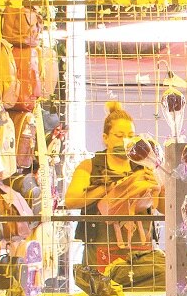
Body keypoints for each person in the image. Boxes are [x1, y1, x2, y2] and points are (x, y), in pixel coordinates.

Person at [65, 101, 162, 269]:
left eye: (131, 136)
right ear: (105, 138)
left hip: (141, 254)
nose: (126, 141)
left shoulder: (146, 166)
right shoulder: (90, 166)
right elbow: (71, 200)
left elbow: (162, 207)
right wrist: (106, 188)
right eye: (119, 136)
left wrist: (158, 187)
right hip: (100, 252)